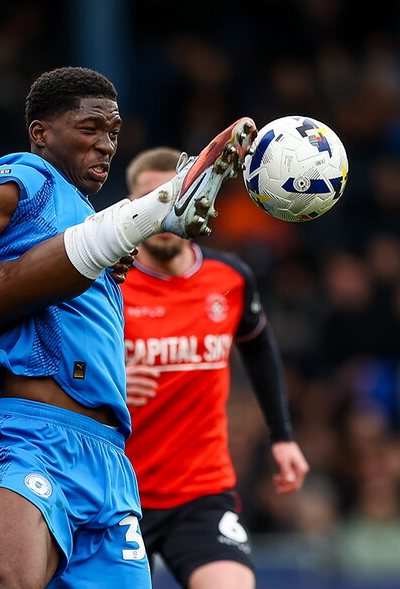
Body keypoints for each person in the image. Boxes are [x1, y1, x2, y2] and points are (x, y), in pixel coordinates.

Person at [0, 67, 259, 588]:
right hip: (32, 437)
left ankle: (164, 205)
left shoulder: (86, 225)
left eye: (113, 134)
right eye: (89, 130)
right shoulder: (25, 178)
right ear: (41, 133)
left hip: (110, 463)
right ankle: (164, 203)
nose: (105, 146)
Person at [120, 147, 310, 589]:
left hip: (201, 492)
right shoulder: (107, 285)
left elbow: (260, 348)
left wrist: (282, 437)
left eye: (176, 198)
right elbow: (55, 361)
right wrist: (106, 383)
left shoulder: (230, 278)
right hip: (116, 495)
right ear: (131, 209)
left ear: (197, 201)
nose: (164, 213)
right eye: (153, 202)